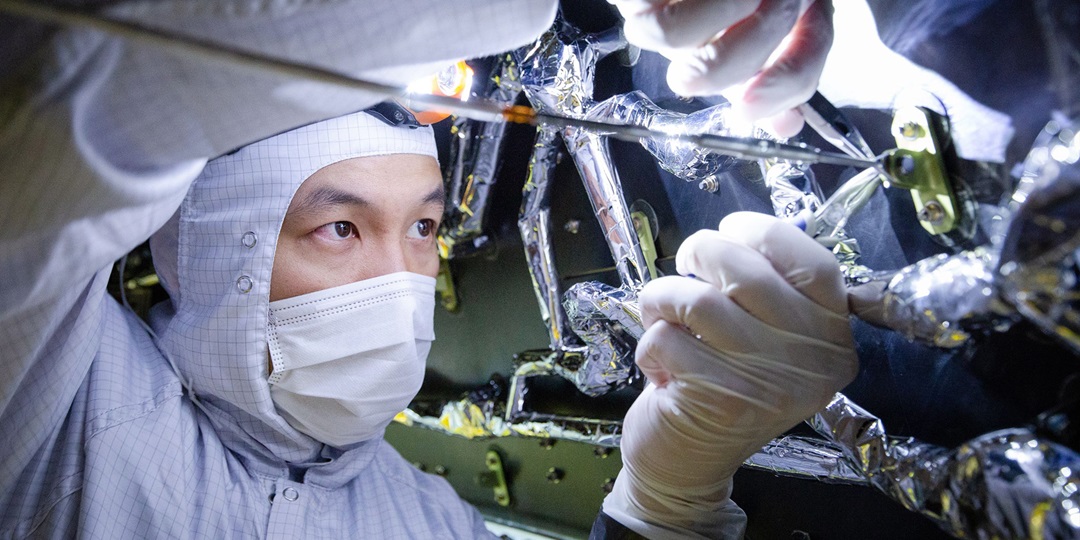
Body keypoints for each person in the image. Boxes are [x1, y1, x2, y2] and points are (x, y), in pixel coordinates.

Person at [0, 0, 854, 538]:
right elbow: (72, 94)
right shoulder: (57, 412)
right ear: (221, 254)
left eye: (422, 228)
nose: (400, 285)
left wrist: (667, 501)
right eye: (338, 227)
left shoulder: (423, 519)